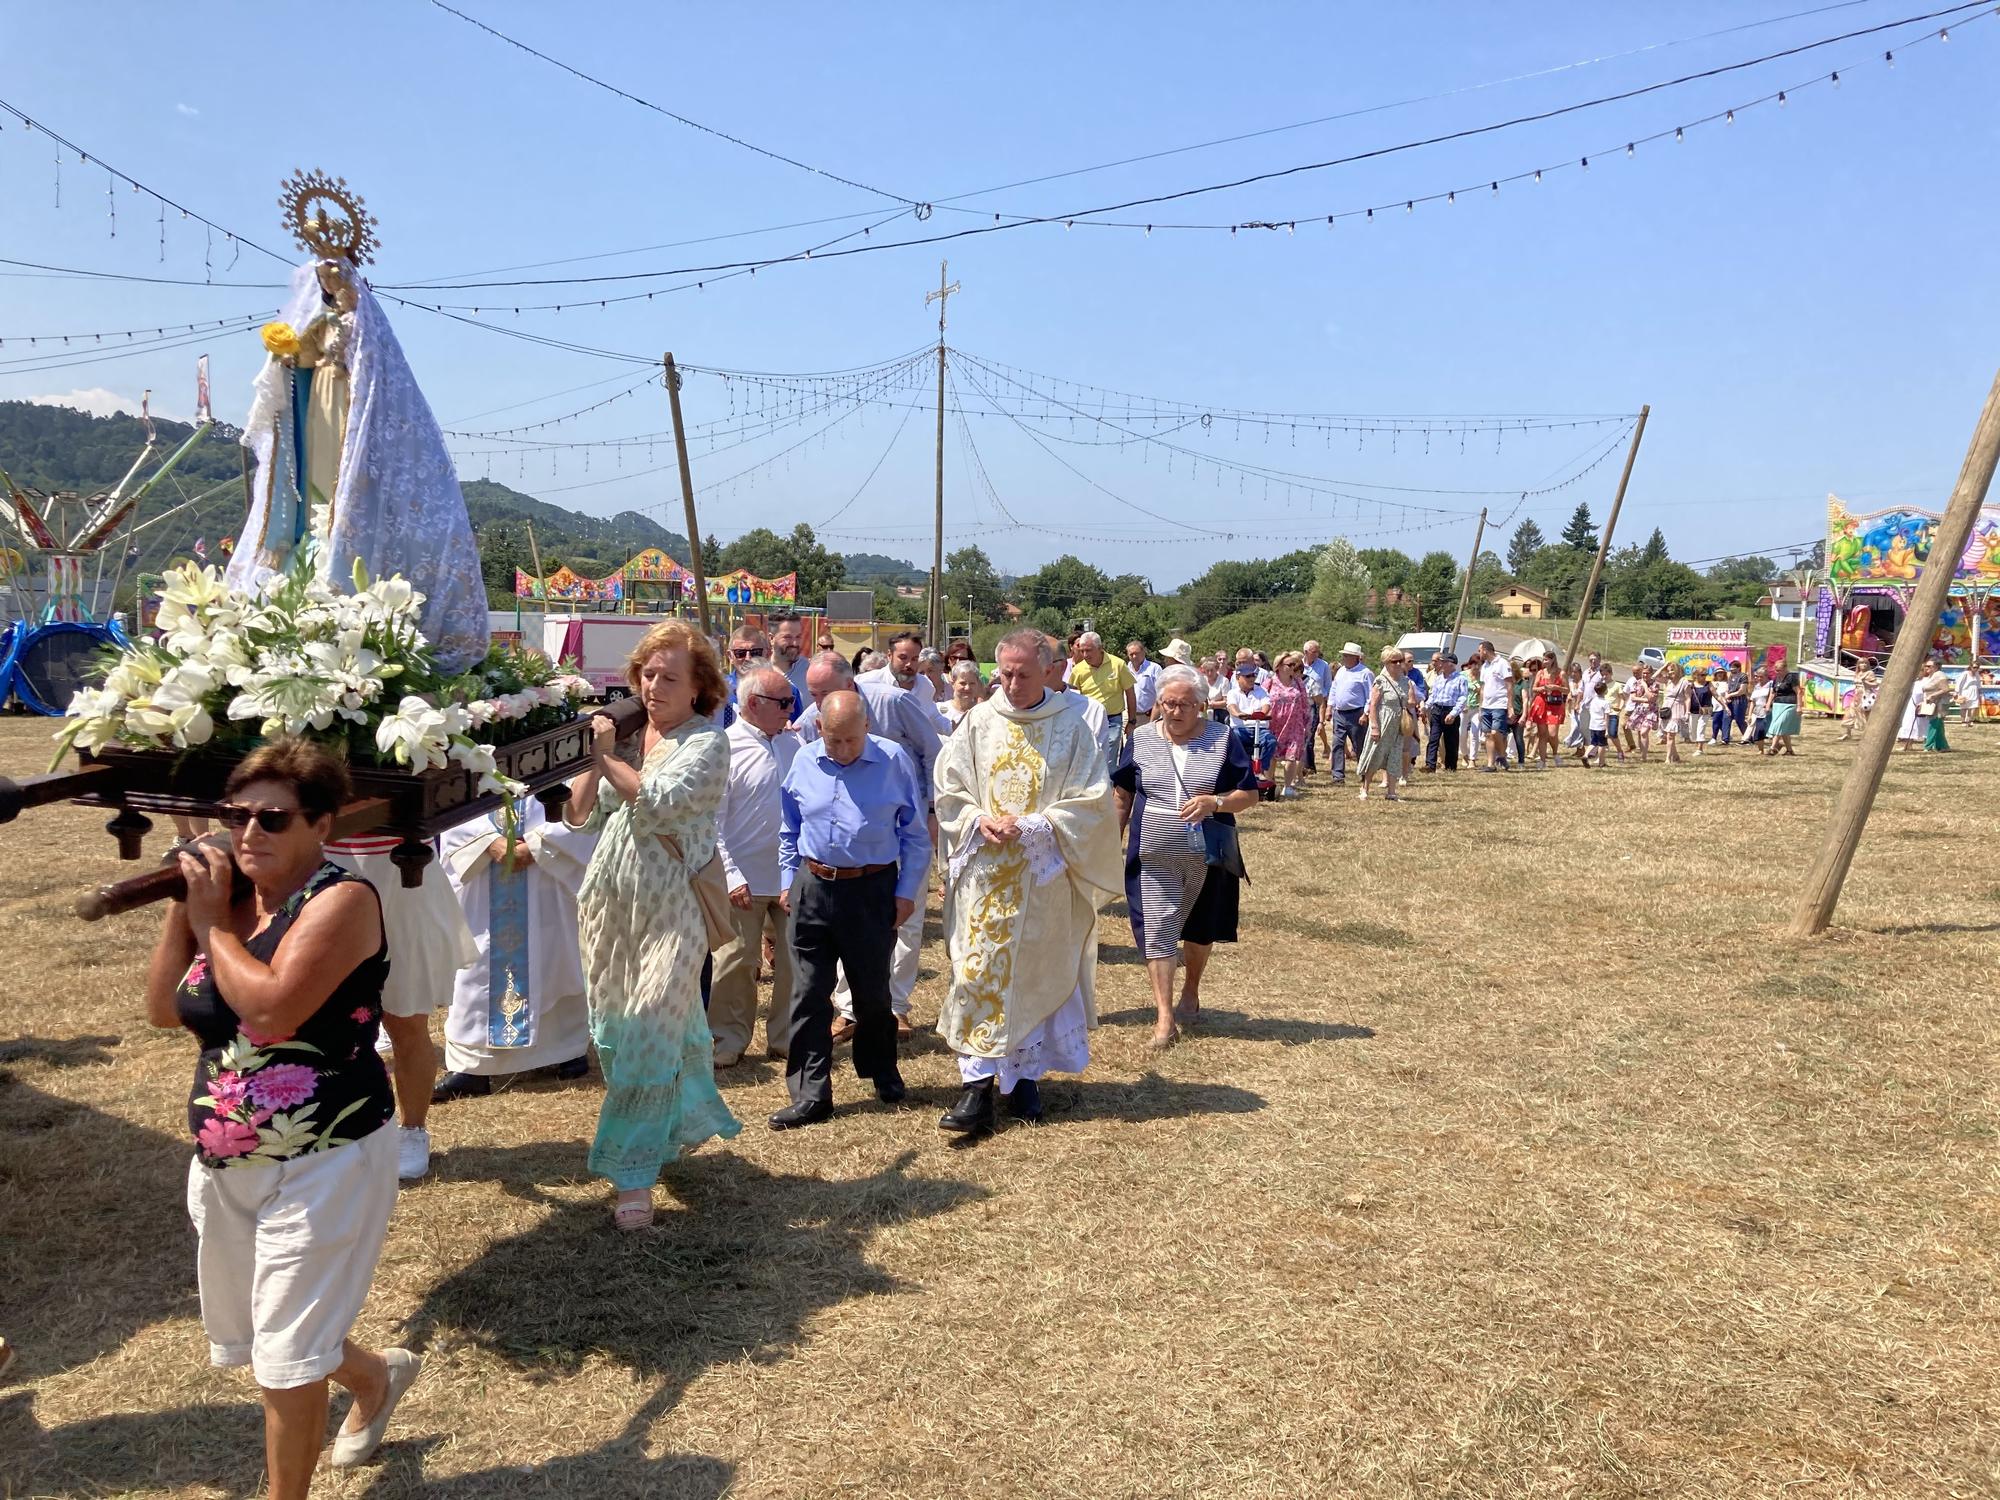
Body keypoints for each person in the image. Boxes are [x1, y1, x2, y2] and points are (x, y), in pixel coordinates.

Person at [144, 739, 419, 1492]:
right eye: (236, 816)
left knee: (285, 1360)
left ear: (321, 825)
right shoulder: (229, 904)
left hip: (326, 1157)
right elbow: (166, 1010)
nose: (250, 833)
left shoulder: (344, 900)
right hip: (228, 1159)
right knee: (276, 1331)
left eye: (273, 818)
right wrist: (187, 907)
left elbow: (270, 1010)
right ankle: (374, 1379)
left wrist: (213, 927)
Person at [566, 621, 740, 1231]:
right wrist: (592, 758)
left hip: (672, 912)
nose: (654, 685)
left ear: (699, 687)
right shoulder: (634, 740)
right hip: (610, 910)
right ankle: (669, 1129)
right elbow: (581, 815)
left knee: (646, 1028)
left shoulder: (707, 744)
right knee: (617, 1030)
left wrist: (608, 756)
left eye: (670, 676)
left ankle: (632, 1177)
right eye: (646, 673)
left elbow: (659, 800)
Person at [932, 630, 1122, 1135]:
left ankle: (1023, 1080)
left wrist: (1039, 825)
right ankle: (976, 1089)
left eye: (1022, 674)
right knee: (977, 973)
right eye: (1005, 673)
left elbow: (1092, 798)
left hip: (1042, 879)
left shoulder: (1072, 728)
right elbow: (950, 787)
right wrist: (976, 817)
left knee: (1033, 973)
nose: (1011, 684)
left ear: (1049, 672)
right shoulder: (977, 722)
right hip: (984, 877)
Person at [770, 690, 930, 1129]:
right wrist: (788, 882)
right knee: (807, 994)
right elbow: (789, 825)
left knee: (872, 993)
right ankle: (810, 1093)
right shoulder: (803, 760)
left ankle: (881, 1069)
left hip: (872, 889)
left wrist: (906, 892)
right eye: (832, 740)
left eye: (850, 741)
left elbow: (915, 834)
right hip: (813, 887)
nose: (841, 750)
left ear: (867, 730)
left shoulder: (893, 760)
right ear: (819, 728)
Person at [795, 652, 943, 1039]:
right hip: (838, 853)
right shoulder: (813, 721)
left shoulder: (892, 701)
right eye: (812, 695)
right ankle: (848, 1009)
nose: (816, 701)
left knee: (903, 924)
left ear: (848, 686)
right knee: (843, 935)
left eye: (823, 692)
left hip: (895, 829)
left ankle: (895, 1006)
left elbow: (932, 751)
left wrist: (930, 809)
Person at [1110, 665, 1258, 1048]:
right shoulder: (1141, 739)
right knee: (1157, 930)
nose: (1175, 712)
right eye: (1168, 703)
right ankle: (1164, 1017)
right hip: (1152, 854)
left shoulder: (1224, 739)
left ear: (1202, 706)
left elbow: (1250, 794)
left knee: (1199, 928)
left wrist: (1216, 801)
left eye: (1185, 705)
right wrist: (1113, 838)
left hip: (1206, 855)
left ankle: (1191, 987)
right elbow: (1123, 794)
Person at [430, 798, 593, 1103]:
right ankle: (473, 1066)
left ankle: (564, 1049)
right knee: (478, 961)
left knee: (554, 954)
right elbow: (451, 792)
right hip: (483, 866)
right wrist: (486, 840)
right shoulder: (469, 748)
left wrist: (536, 844)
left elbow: (581, 796)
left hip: (546, 869)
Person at [710, 668, 799, 1069]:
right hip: (742, 879)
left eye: (790, 700)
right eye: (782, 702)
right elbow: (712, 821)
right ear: (752, 704)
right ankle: (728, 1039)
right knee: (737, 962)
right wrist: (730, 874)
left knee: (797, 961)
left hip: (790, 876)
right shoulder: (724, 749)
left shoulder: (794, 745)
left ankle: (786, 1037)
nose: (791, 708)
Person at [1067, 631, 1139, 777]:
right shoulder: (1078, 670)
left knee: (1109, 759)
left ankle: (1109, 790)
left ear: (1100, 648)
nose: (1085, 654)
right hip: (1087, 721)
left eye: (1089, 650)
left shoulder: (1118, 665)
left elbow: (1130, 693)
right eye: (1082, 651)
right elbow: (1071, 697)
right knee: (1089, 758)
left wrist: (1132, 721)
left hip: (1112, 719)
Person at [1354, 647, 1413, 801]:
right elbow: (1373, 705)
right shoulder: (1380, 680)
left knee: (1394, 756)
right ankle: (1364, 788)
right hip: (1382, 721)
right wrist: (1374, 726)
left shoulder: (1405, 681)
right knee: (1375, 754)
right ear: (1386, 663)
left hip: (1397, 724)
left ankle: (1392, 792)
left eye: (1401, 661)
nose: (1399, 664)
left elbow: (1410, 701)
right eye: (1395, 661)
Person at [1266, 652, 1312, 798]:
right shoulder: (1270, 682)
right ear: (1279, 666)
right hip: (1274, 724)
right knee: (1272, 755)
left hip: (1294, 724)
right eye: (1290, 664)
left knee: (1291, 756)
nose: (1294, 667)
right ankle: (1269, 783)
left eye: (1295, 665)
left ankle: (1288, 786)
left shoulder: (1298, 683)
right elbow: (1261, 700)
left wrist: (1308, 724)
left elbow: (1305, 704)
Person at [1327, 642, 1372, 784]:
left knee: (1359, 745)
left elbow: (1371, 696)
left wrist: (1366, 714)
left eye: (1346, 656)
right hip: (1339, 713)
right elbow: (1334, 689)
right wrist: (1330, 706)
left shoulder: (1365, 673)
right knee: (1337, 744)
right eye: (1344, 655)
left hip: (1356, 713)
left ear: (1356, 657)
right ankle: (1337, 776)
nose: (1344, 658)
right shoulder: (1341, 671)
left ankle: (1364, 771)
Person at [1225, 658, 1274, 783]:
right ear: (1238, 677)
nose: (1252, 679)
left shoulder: (1261, 691)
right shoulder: (1233, 693)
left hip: (1260, 727)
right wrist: (1239, 714)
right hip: (1241, 728)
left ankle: (1261, 770)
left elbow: (1266, 705)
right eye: (1248, 676)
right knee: (1234, 740)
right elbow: (1232, 707)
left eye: (1254, 675)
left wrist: (1262, 714)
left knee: (1271, 741)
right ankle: (1240, 770)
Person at [861, 629, 936, 706]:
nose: (909, 664)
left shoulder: (925, 685)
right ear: (890, 655)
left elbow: (932, 715)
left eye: (914, 659)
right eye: (903, 658)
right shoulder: (866, 683)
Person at [1424, 652, 1468, 772]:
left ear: (1451, 664)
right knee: (1433, 738)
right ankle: (1430, 765)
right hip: (1437, 710)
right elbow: (1434, 696)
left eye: (1443, 662)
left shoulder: (1461, 679)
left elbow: (1462, 698)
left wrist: (1453, 713)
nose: (1440, 664)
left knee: (1451, 741)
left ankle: (1450, 767)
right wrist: (1426, 706)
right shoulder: (1439, 678)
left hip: (1450, 711)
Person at [1475, 642, 1513, 773]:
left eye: (1480, 650)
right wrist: (1480, 707)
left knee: (1496, 732)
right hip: (1486, 705)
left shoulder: (1502, 663)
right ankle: (1491, 764)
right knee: (1487, 735)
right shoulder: (1484, 666)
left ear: (1485, 650)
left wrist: (1510, 706)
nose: (1479, 653)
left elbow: (1509, 685)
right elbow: (1483, 688)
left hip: (1499, 704)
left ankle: (1502, 755)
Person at [1526, 653, 1566, 770]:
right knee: (1542, 734)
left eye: (1547, 659)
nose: (1544, 661)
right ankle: (1542, 760)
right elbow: (1534, 688)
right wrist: (1542, 688)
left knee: (1552, 734)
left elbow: (1567, 689)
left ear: (1553, 660)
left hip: (1555, 705)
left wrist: (1556, 688)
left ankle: (1555, 753)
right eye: (1544, 659)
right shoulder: (1541, 673)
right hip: (1541, 703)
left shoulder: (1561, 673)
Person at [1300, 639, 1333, 774]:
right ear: (1306, 652)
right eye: (1314, 652)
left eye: (1318, 652)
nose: (1316, 654)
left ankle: (1309, 766)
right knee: (1300, 735)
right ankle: (1302, 765)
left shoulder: (1323, 666)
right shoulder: (1298, 664)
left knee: (1309, 735)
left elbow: (1328, 685)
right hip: (1300, 703)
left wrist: (1325, 703)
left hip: (1316, 703)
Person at [769, 609, 811, 706]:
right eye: (787, 637)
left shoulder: (811, 672)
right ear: (771, 639)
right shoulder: (760, 674)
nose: (795, 643)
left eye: (798, 637)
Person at [1912, 657, 1954, 751]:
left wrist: (1933, 696)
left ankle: (1928, 746)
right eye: (1926, 666)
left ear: (1936, 667)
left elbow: (1945, 689)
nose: (1926, 668)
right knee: (1938, 726)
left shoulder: (1940, 675)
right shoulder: (1933, 676)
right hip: (1932, 703)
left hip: (1939, 705)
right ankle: (1942, 746)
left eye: (1929, 666)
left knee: (1933, 724)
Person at [1765, 661, 1803, 757]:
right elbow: (1773, 692)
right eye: (1776, 670)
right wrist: (1768, 704)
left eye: (1779, 670)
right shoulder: (1776, 678)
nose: (1777, 672)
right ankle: (1789, 751)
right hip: (1778, 705)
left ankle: (1773, 748)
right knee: (1783, 729)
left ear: (1785, 668)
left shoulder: (1791, 677)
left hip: (1790, 704)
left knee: (1779, 725)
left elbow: (1798, 692)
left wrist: (1799, 706)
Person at [1840, 660, 1880, 741]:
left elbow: (1875, 685)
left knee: (1865, 715)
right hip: (1856, 695)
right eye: (1861, 663)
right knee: (1850, 713)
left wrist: (1866, 683)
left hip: (1865, 695)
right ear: (1858, 665)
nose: (1863, 665)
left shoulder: (1870, 673)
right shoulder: (1857, 673)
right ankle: (1847, 733)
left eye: (1865, 663)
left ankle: (1870, 734)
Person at [1624, 665, 1658, 761]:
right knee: (1640, 732)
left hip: (1651, 711)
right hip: (1639, 710)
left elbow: (1652, 698)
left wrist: (1645, 687)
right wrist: (1645, 700)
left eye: (1647, 673)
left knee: (1643, 732)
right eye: (1644, 673)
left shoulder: (1655, 684)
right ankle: (1643, 755)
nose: (1645, 675)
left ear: (1651, 674)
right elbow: (1633, 697)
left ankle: (1644, 756)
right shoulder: (1636, 683)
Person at [1125, 638, 1161, 726]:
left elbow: (1161, 693)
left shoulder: (1154, 669)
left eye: (1136, 653)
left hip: (1148, 717)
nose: (1134, 656)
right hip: (1128, 717)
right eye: (1131, 654)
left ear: (1143, 652)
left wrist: (1153, 718)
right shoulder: (1124, 670)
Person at [941, 659, 985, 728]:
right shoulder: (940, 711)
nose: (967, 688)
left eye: (972, 683)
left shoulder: (983, 712)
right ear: (953, 683)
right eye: (963, 683)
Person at [1583, 677, 1611, 768]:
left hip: (1593, 725)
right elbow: (1606, 717)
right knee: (1602, 745)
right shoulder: (1606, 703)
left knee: (1593, 743)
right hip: (1601, 726)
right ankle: (1601, 762)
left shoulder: (1593, 700)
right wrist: (1607, 729)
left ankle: (1585, 755)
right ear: (1605, 691)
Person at [1604, 669, 1629, 762]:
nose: (1604, 677)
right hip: (1603, 713)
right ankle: (1600, 755)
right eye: (1602, 674)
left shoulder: (1617, 685)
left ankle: (1619, 751)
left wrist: (1620, 707)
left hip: (1613, 712)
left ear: (1611, 674)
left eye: (1606, 674)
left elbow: (1623, 698)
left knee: (1612, 733)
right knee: (1601, 734)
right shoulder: (1602, 685)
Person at [1748, 666, 1775, 746]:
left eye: (1761, 677)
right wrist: (1749, 715)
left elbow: (1772, 695)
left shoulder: (1771, 685)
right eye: (1758, 676)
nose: (1759, 678)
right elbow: (1753, 701)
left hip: (1769, 712)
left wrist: (1768, 705)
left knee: (1767, 731)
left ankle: (1774, 746)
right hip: (1758, 712)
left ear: (1766, 676)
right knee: (1758, 733)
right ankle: (1763, 749)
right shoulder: (1757, 687)